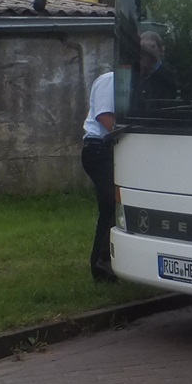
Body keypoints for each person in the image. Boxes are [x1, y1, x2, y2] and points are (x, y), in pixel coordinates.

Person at [81, 70, 118, 282]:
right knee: (111, 205)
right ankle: (101, 264)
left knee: (110, 207)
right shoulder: (110, 80)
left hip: (105, 149)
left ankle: (105, 261)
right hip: (98, 149)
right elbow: (104, 117)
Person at [139, 30, 179, 103]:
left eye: (152, 47)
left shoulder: (168, 75)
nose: (148, 51)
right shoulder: (136, 74)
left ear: (160, 50)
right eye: (143, 48)